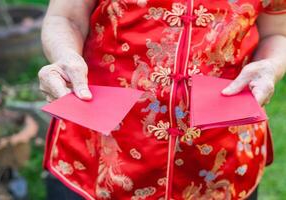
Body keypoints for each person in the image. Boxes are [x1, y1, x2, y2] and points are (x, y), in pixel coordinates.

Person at [39, 0, 286, 199]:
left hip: (221, 154)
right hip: (99, 147)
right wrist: (65, 56)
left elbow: (277, 31)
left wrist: (272, 66)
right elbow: (66, 16)